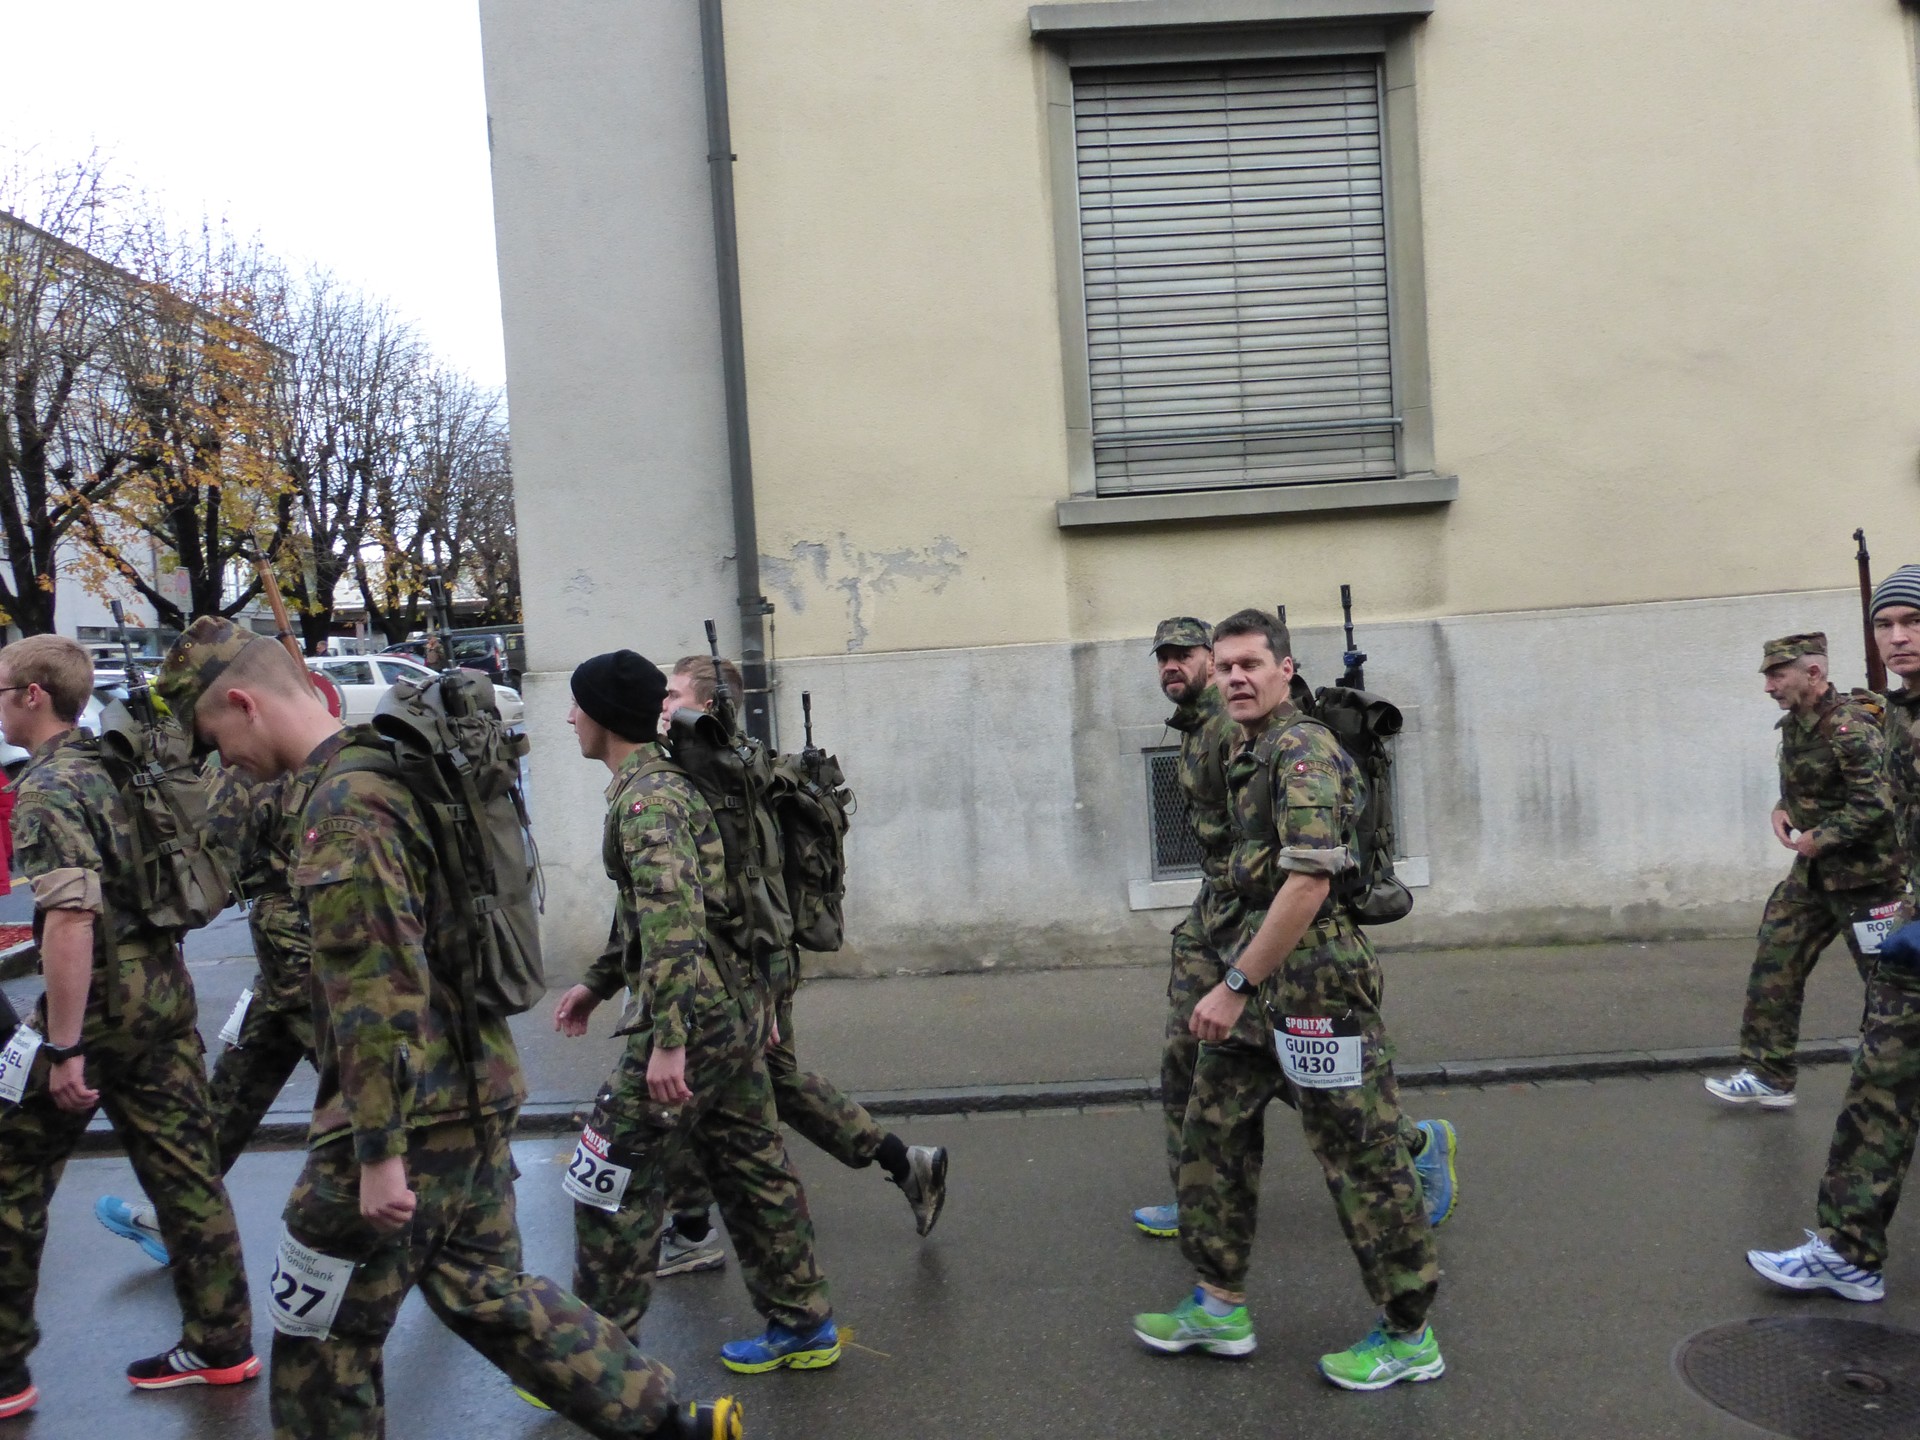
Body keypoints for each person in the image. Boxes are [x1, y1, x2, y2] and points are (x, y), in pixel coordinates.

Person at [153, 617, 740, 1440]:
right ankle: (674, 1422)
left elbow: (373, 987)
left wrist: (376, 1153)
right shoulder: (395, 771)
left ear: (244, 704)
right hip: (472, 1083)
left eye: (214, 736)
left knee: (319, 1334)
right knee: (485, 1290)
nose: (221, 761)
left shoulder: (345, 805)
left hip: (403, 1111)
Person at [1132, 608, 1450, 1391]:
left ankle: (1409, 1333)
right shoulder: (1245, 746)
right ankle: (1218, 1303)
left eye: (1251, 664)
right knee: (1213, 1134)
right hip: (1251, 969)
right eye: (1227, 666)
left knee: (1360, 1156)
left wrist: (1234, 985)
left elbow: (1307, 883)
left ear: (1285, 669)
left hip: (1315, 986)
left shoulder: (1302, 750)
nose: (1236, 677)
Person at [554, 650, 839, 1373]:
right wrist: (598, 983)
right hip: (734, 1003)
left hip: (697, 1015)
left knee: (609, 1170)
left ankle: (599, 1365)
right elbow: (649, 913)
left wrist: (669, 1040)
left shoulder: (648, 802)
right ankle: (803, 1324)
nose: (568, 717)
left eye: (577, 704)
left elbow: (674, 921)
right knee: (750, 1165)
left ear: (603, 717)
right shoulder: (664, 784)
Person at [0, 634, 257, 1421]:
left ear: (35, 695)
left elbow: (70, 919)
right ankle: (222, 1343)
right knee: (186, 1175)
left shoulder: (50, 788)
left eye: (1, 689)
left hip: (96, 1006)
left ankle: (4, 1371)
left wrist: (64, 1045)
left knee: (10, 1176)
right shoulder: (118, 766)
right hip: (165, 995)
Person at [651, 654, 947, 1278]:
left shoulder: (718, 780)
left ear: (708, 705)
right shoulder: (735, 766)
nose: (662, 704)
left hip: (744, 965)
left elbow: (737, 892)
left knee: (684, 1091)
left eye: (672, 694)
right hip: (762, 958)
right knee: (774, 1083)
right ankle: (905, 1162)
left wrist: (755, 992)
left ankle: (699, 1231)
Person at [1748, 572, 1920, 1299]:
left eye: (1913, 621)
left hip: (1870, 891)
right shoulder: (1895, 714)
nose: (1898, 638)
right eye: (1885, 625)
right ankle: (1849, 1251)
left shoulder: (1866, 721)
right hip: (1907, 925)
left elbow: (1872, 809)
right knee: (1879, 1085)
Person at [96, 766, 314, 1266]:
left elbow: (200, 863)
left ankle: (444, 1210)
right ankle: (177, 1219)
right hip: (293, 947)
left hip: (298, 946)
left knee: (361, 1091)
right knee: (237, 1085)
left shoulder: (245, 767)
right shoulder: (299, 755)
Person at [1706, 633, 1908, 1109]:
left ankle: (1898, 1082)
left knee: (1891, 987)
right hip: (1813, 877)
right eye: (1768, 676)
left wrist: (1824, 836)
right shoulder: (1797, 725)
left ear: (1813, 673)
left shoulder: (1850, 727)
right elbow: (1810, 786)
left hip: (1869, 882)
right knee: (1775, 960)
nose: (1768, 687)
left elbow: (1876, 804)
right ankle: (1768, 1074)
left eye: (1778, 675)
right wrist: (1784, 807)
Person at [1131, 616, 1270, 1238]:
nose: (1171, 665)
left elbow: (1263, 833)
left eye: (1183, 654)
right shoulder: (1192, 727)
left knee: (1292, 1063)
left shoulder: (1230, 727)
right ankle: (1195, 1201)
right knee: (1184, 1053)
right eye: (1164, 656)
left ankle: (1409, 1147)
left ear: (1211, 660)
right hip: (1212, 909)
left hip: (1255, 916)